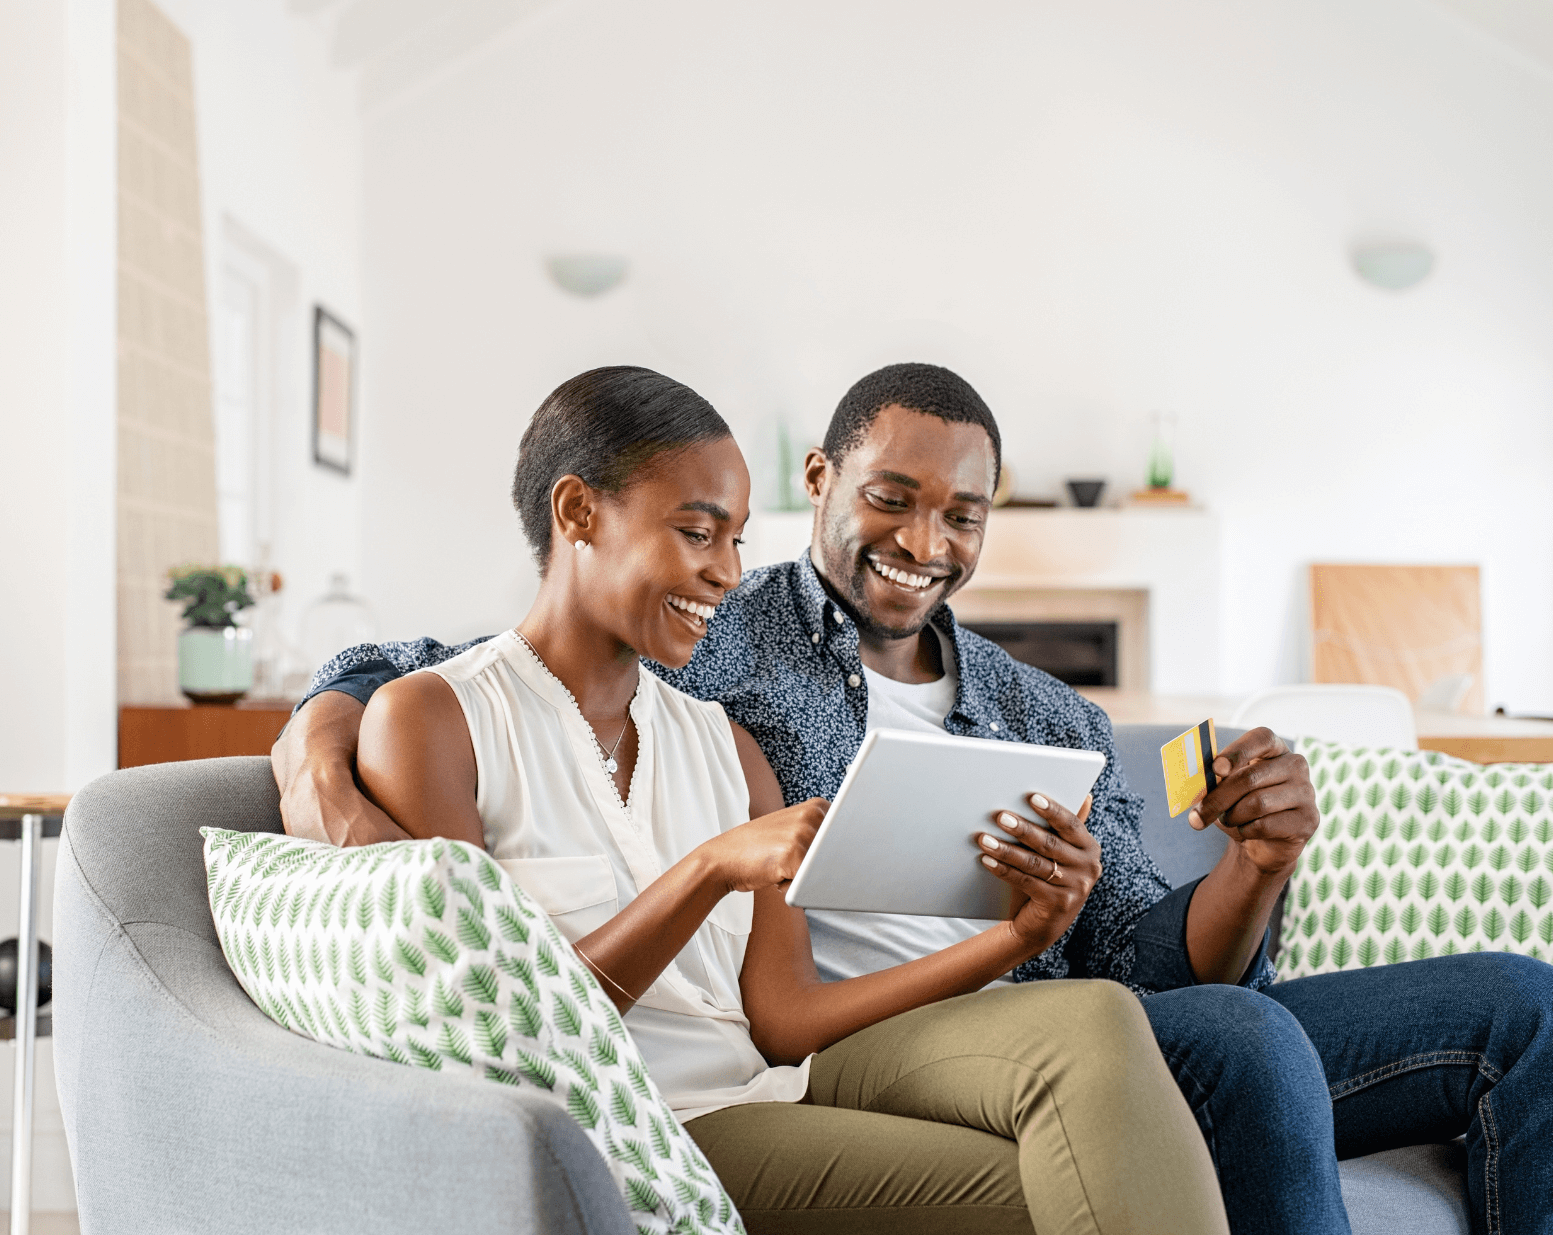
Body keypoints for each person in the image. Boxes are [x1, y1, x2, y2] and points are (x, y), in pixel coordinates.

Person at [279, 363, 1553, 1235]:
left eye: (964, 514)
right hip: (867, 1052)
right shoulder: (733, 637)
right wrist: (323, 728)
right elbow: (482, 656)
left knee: (1521, 1005)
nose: (925, 541)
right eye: (891, 498)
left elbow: (1146, 963)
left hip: (1068, 1015)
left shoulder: (1049, 714)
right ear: (824, 479)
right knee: (1236, 1037)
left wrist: (1254, 868)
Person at [350, 364, 1227, 1234]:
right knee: (1059, 1191)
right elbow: (499, 1040)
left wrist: (1018, 936)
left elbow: (784, 1022)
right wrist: (705, 871)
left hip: (770, 1090)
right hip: (639, 1132)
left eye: (735, 539)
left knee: (1095, 1066)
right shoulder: (433, 721)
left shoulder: (725, 747)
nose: (729, 572)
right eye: (698, 533)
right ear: (579, 512)